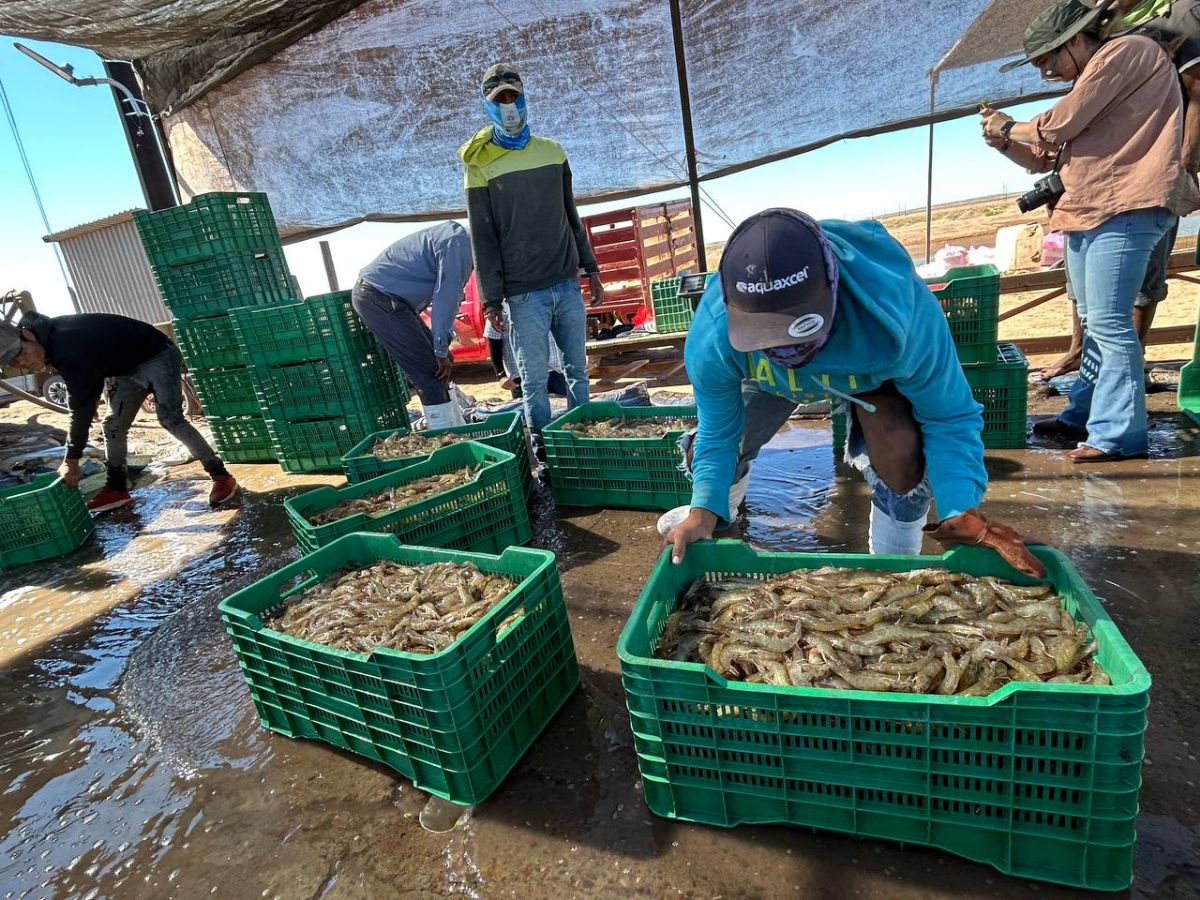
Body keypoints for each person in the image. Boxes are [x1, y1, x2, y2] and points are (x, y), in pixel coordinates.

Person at [662, 208, 1045, 579]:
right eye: (769, 337)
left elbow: (948, 416)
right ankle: (719, 521)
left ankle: (893, 566)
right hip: (765, 381)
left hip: (868, 376)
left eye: (801, 329)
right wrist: (702, 510)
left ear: (834, 285)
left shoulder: (899, 314)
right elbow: (718, 431)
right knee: (708, 457)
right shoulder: (712, 335)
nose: (790, 353)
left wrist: (959, 506)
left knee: (902, 454)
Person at [984, 0, 1199, 462]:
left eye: (1048, 61)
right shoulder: (1097, 80)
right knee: (1094, 323)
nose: (1046, 74)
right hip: (1089, 209)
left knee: (1109, 323)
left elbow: (1055, 126)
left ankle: (1117, 436)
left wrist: (1010, 125)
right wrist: (1005, 142)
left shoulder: (1126, 53)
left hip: (1125, 205)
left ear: (1077, 39)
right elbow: (1042, 157)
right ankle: (1082, 416)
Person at [1038, 0, 1200, 380]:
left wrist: (1183, 164)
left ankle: (1121, 404)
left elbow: (1198, 94)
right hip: (1101, 188)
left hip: (1145, 182)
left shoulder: (1182, 16)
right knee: (1096, 306)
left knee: (1123, 307)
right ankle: (1088, 377)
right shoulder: (1112, 39)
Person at [458, 62, 604, 454]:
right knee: (534, 377)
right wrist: (491, 298)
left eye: (514, 97)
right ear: (488, 107)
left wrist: (590, 268)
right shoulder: (479, 164)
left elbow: (571, 214)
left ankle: (582, 437)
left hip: (565, 282)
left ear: (524, 99)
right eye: (500, 100)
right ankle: (545, 447)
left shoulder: (552, 151)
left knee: (577, 370)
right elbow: (483, 238)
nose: (509, 106)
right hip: (524, 295)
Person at [0, 312, 238, 512]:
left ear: (27, 335)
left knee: (170, 419)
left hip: (156, 354)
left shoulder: (67, 346)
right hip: (124, 367)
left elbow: (81, 408)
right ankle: (117, 488)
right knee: (112, 425)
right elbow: (86, 397)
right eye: (13, 362)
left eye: (21, 353)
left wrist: (71, 462)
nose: (21, 363)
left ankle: (221, 476)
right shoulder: (47, 342)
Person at [351, 222, 473, 429]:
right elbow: (447, 296)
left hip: (396, 302)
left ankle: (455, 427)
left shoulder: (459, 240)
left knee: (440, 365)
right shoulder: (458, 244)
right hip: (379, 298)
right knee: (429, 373)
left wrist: (442, 350)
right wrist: (440, 348)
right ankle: (447, 442)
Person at [483, 308, 569, 400]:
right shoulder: (500, 310)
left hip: (555, 371)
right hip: (521, 375)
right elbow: (494, 344)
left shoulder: (547, 301)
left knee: (563, 410)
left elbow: (565, 334)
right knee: (528, 412)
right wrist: (501, 375)